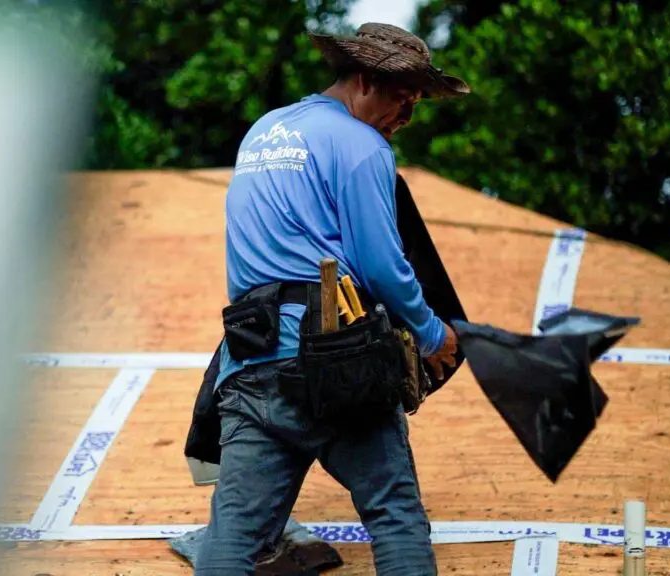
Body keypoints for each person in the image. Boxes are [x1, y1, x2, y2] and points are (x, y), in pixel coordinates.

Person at [194, 22, 470, 576]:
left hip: (249, 359)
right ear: (366, 80)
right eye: (403, 99)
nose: (407, 119)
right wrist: (433, 332)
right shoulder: (363, 146)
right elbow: (382, 267)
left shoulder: (264, 131)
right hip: (331, 358)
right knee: (395, 515)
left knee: (233, 538)